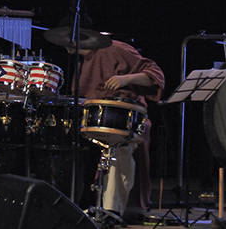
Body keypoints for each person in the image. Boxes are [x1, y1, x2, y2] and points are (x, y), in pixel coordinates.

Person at [70, 33, 165, 222]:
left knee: (118, 149)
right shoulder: (79, 63)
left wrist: (127, 78)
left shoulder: (115, 49)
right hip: (91, 123)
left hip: (125, 122)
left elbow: (155, 75)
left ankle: (111, 212)